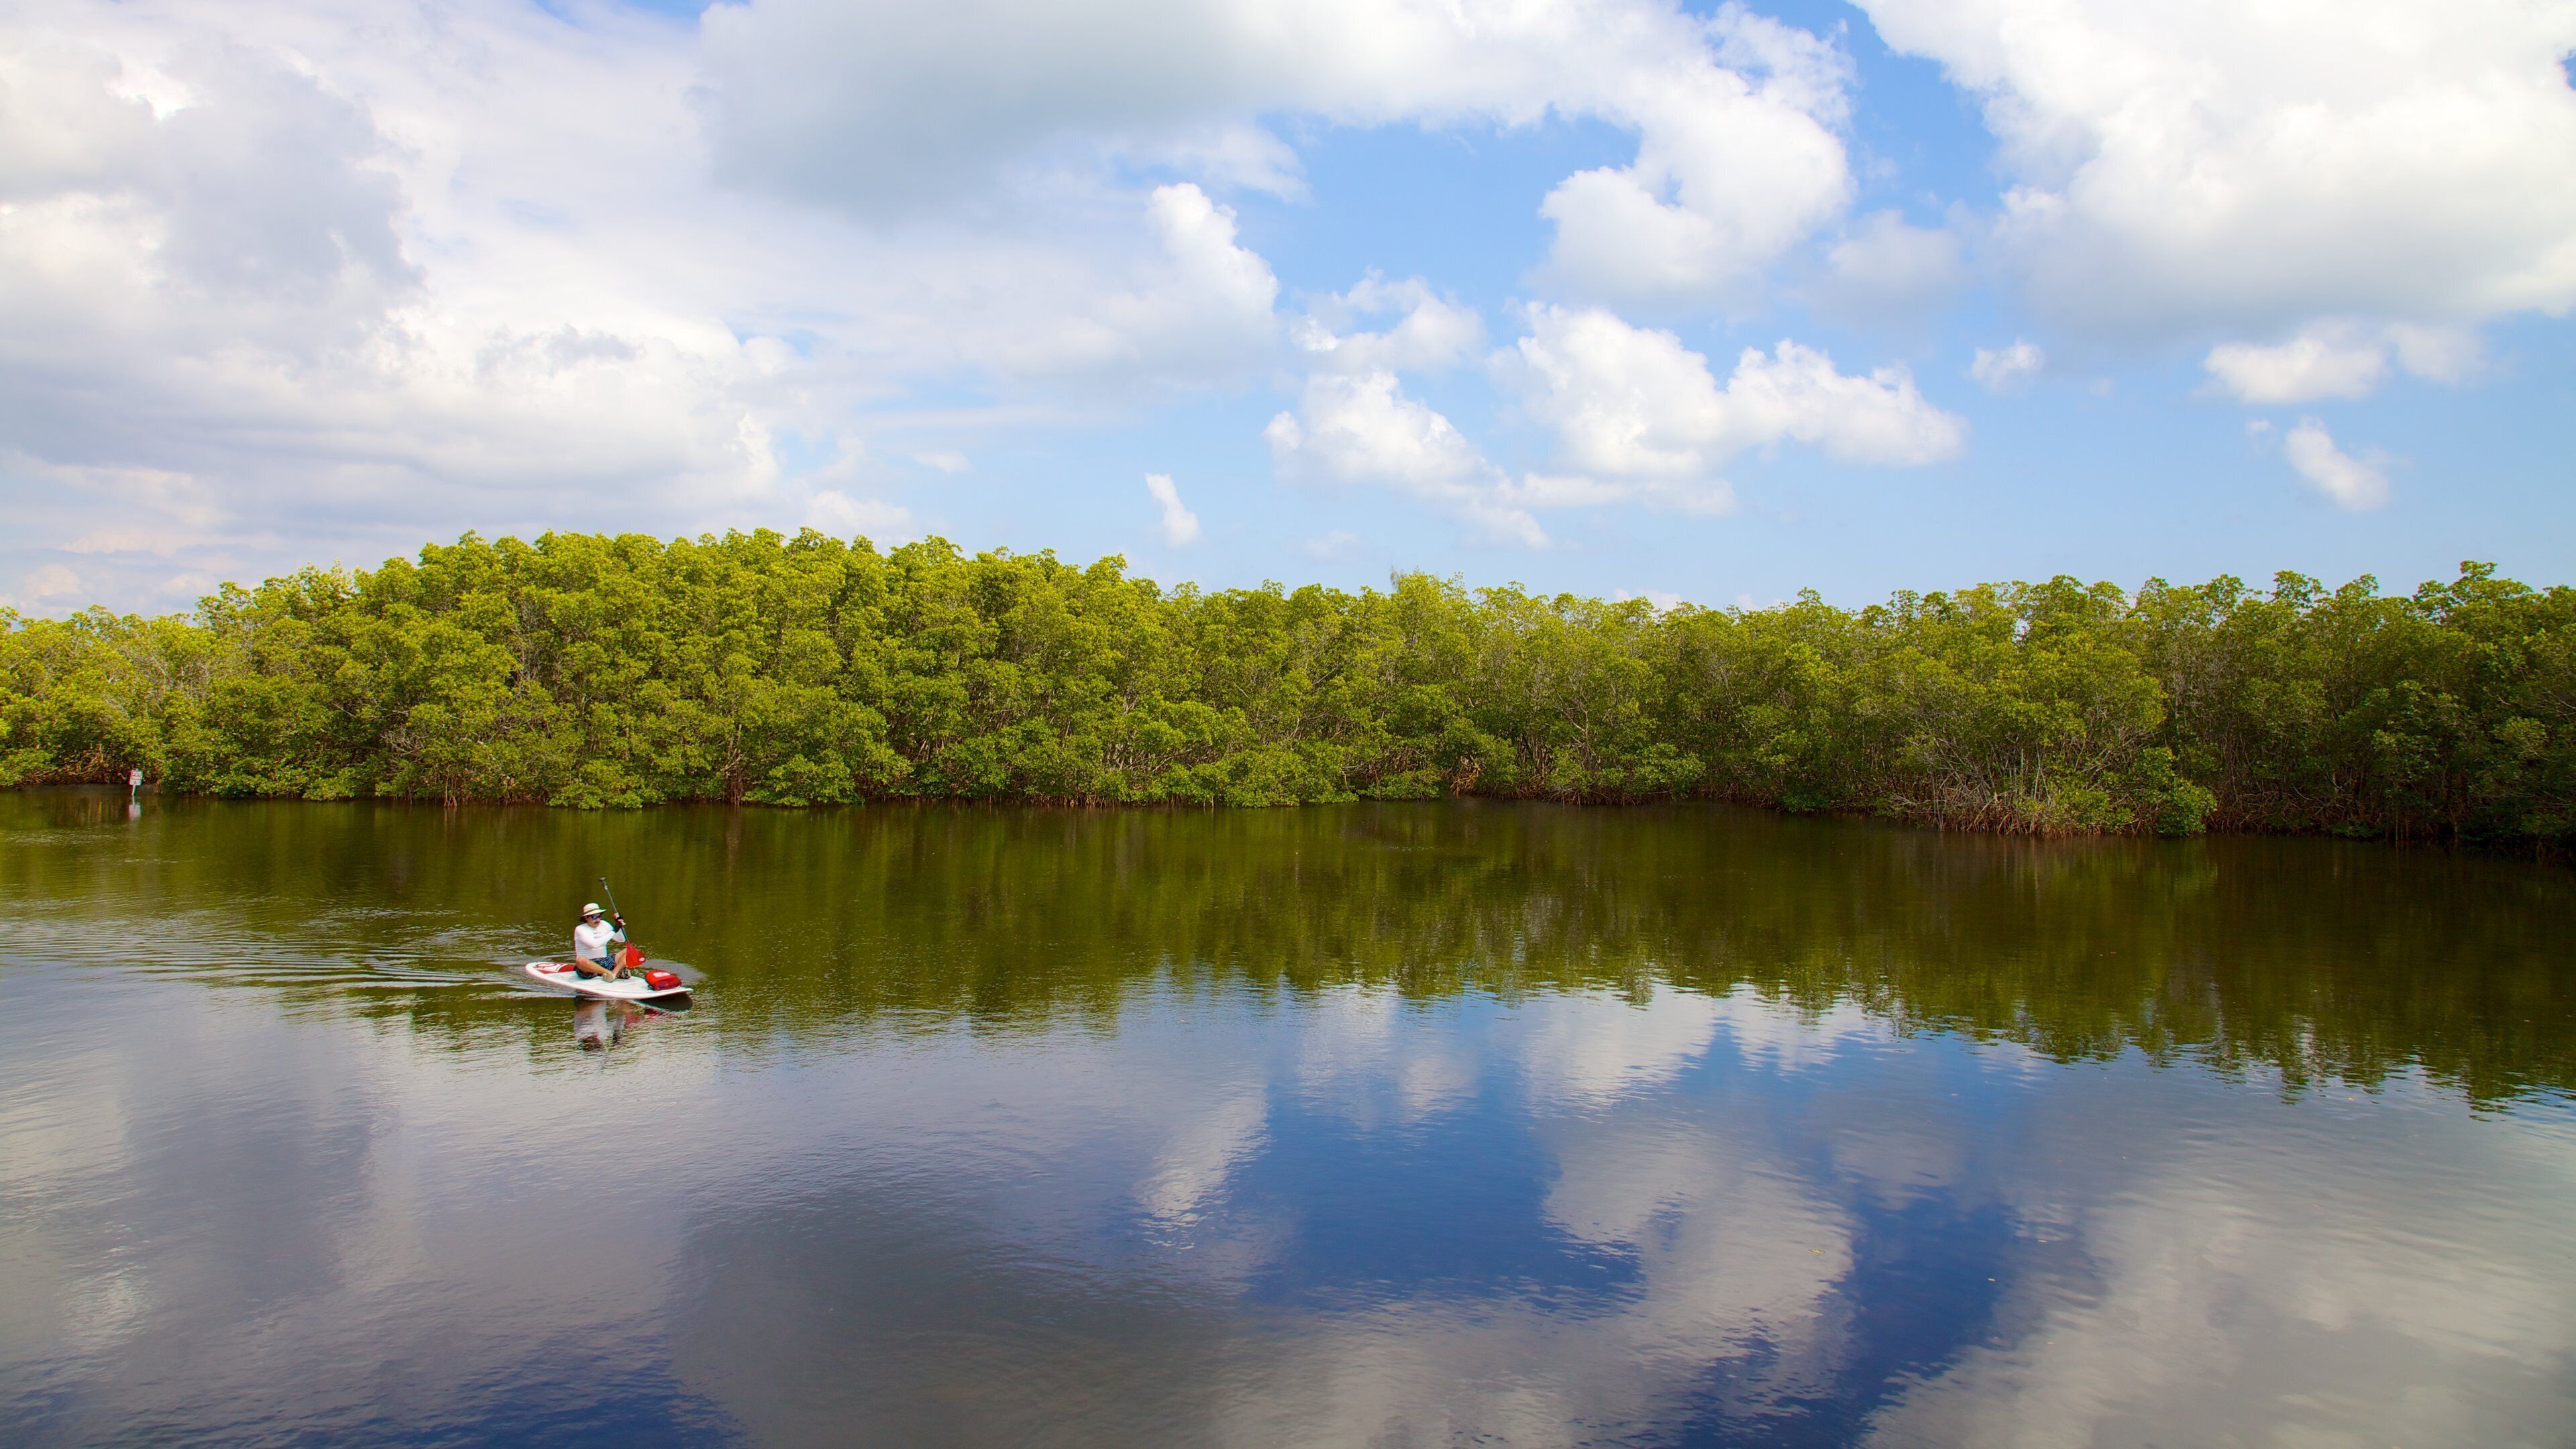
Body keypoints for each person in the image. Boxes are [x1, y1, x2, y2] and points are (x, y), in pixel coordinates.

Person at [572, 902, 627, 979]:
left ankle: (614, 974)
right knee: (580, 961)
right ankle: (609, 973)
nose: (598, 920)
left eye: (599, 916)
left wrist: (619, 926)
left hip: (604, 961)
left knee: (629, 951)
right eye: (594, 917)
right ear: (586, 918)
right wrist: (614, 931)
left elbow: (621, 940)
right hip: (588, 966)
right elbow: (595, 945)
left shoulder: (604, 924)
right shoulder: (580, 929)